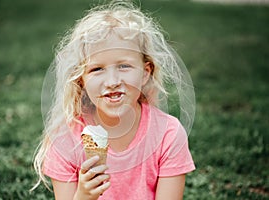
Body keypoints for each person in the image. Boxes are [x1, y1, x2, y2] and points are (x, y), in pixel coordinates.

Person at [32, 1, 195, 199]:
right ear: (81, 79)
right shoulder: (66, 139)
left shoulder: (168, 135)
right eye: (97, 69)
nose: (112, 81)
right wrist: (84, 195)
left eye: (124, 66)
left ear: (145, 73)